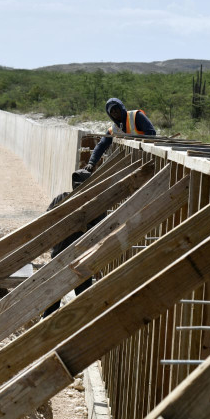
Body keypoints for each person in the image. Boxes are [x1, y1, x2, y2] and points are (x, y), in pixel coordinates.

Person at [41, 169, 98, 318]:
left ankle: (48, 327)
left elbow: (46, 220)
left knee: (55, 300)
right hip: (81, 258)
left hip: (66, 256)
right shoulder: (94, 203)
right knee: (81, 300)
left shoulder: (62, 198)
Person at [84, 97, 156, 172]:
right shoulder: (113, 129)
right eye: (111, 111)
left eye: (116, 109)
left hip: (146, 159)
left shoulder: (136, 116)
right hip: (130, 162)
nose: (114, 112)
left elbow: (151, 133)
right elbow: (102, 145)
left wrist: (141, 147)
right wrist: (91, 162)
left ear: (121, 108)